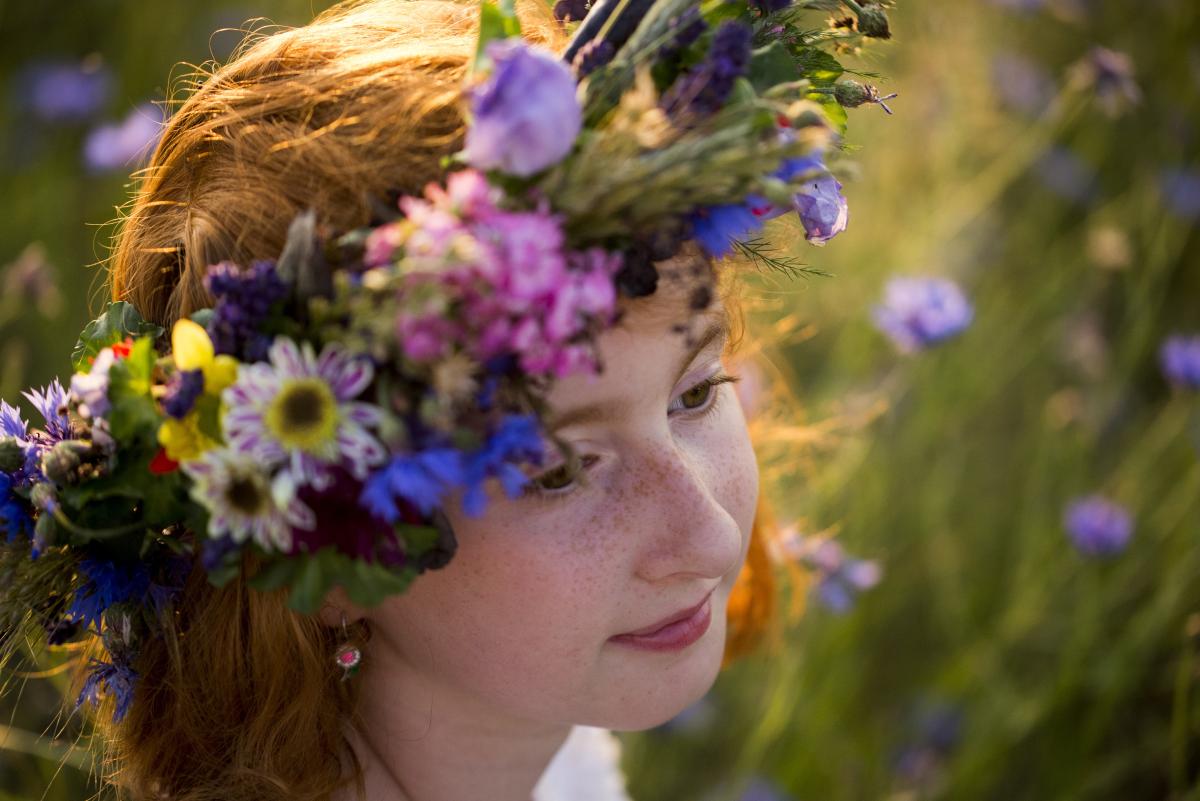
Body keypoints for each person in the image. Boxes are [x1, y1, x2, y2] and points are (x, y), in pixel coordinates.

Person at [0, 0, 882, 796]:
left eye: (693, 395)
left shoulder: (549, 754)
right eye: (556, 469)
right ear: (320, 544)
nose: (711, 533)